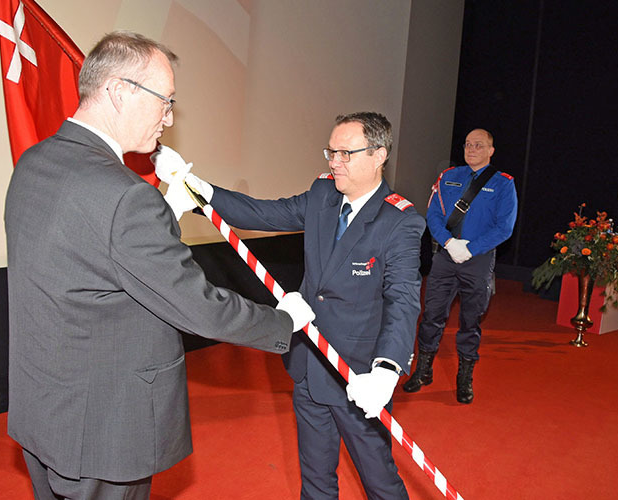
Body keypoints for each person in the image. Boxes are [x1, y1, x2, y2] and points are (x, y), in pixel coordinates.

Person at [4, 31, 315, 500]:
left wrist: (163, 213)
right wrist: (283, 321)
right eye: (165, 102)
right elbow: (199, 307)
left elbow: (91, 257)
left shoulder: (35, 162)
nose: (169, 118)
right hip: (105, 428)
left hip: (46, 411)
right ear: (119, 91)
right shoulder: (125, 195)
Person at [164, 112, 424, 499]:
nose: (334, 162)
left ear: (379, 155)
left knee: (381, 483)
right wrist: (203, 191)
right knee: (316, 481)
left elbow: (403, 298)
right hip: (309, 362)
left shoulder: (399, 221)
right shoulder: (323, 194)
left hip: (357, 376)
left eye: (345, 153)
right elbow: (264, 212)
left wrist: (387, 369)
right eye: (330, 152)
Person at [403, 128, 517, 404]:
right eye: (468, 144)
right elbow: (433, 215)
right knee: (431, 315)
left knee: (470, 321)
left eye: (479, 145)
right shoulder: (449, 177)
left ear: (491, 151)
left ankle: (464, 377)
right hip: (445, 258)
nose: (472, 149)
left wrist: (470, 248)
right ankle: (423, 370)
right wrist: (448, 242)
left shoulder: (503, 184)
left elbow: (505, 227)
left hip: (477, 261)